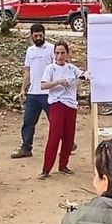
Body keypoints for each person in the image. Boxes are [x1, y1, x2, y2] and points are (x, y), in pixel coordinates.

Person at [39, 41, 86, 179]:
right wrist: (58, 81)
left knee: (69, 136)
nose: (60, 56)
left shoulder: (71, 68)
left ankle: (63, 164)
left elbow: (82, 74)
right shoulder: (50, 69)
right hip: (57, 103)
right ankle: (46, 168)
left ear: (67, 54)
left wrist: (86, 75)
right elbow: (43, 85)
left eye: (62, 53)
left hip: (71, 105)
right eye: (57, 53)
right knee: (54, 135)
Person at [12, 23, 55, 159]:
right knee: (28, 122)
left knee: (55, 121)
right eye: (35, 36)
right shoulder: (30, 51)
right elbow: (27, 71)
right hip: (33, 93)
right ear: (31, 36)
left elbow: (57, 69)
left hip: (48, 92)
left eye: (40, 35)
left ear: (44, 34)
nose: (38, 38)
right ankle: (26, 148)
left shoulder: (52, 49)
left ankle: (68, 143)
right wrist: (23, 89)